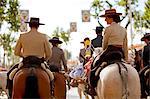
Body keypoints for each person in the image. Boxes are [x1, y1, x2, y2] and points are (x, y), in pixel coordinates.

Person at [7, 17, 53, 97]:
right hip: (39, 63)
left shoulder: (22, 36)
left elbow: (16, 52)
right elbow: (49, 54)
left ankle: (10, 94)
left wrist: (24, 56)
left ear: (29, 25)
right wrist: (43, 59)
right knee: (51, 77)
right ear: (38, 26)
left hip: (25, 62)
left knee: (10, 75)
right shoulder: (43, 36)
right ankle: (51, 93)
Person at [139, 33, 150, 98]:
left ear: (146, 40)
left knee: (140, 74)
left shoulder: (145, 48)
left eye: (145, 40)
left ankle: (143, 93)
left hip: (149, 65)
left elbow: (143, 60)